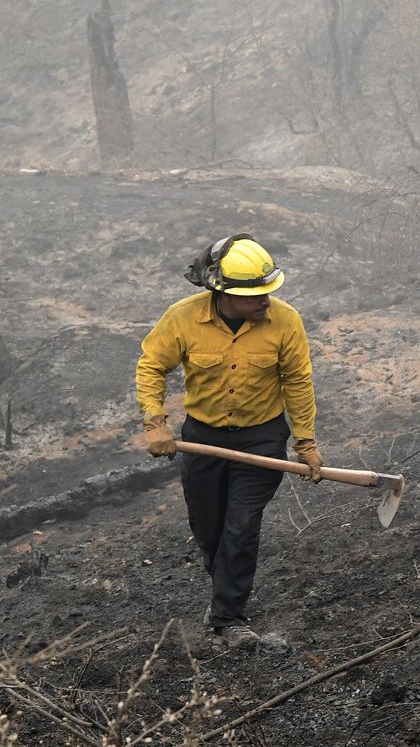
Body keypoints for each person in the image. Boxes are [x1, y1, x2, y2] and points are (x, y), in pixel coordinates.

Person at [136, 234, 323, 648]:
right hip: (203, 436)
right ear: (223, 293)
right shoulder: (183, 318)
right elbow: (152, 366)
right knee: (209, 527)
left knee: (241, 526)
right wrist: (155, 422)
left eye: (269, 292)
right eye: (255, 295)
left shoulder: (286, 321)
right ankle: (223, 586)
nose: (265, 301)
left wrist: (305, 442)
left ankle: (229, 620)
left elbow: (297, 381)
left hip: (261, 440)